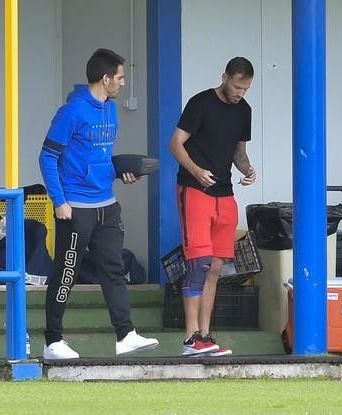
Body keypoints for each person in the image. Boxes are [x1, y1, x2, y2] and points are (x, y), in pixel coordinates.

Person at [39, 48, 159, 359]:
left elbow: (98, 157)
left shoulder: (110, 109)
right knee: (66, 271)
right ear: (105, 78)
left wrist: (121, 173)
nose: (122, 83)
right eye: (119, 78)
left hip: (107, 204)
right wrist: (59, 201)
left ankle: (125, 334)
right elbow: (48, 157)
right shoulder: (72, 112)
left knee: (114, 269)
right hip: (75, 208)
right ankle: (52, 340)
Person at [169, 57, 256, 356]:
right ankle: (190, 338)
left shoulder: (244, 110)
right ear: (224, 77)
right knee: (198, 262)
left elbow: (238, 151)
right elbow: (175, 143)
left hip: (225, 193)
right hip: (194, 189)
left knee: (217, 265)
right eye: (236, 86)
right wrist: (195, 170)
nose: (239, 93)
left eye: (245, 89)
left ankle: (205, 335)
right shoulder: (201, 103)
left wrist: (248, 169)